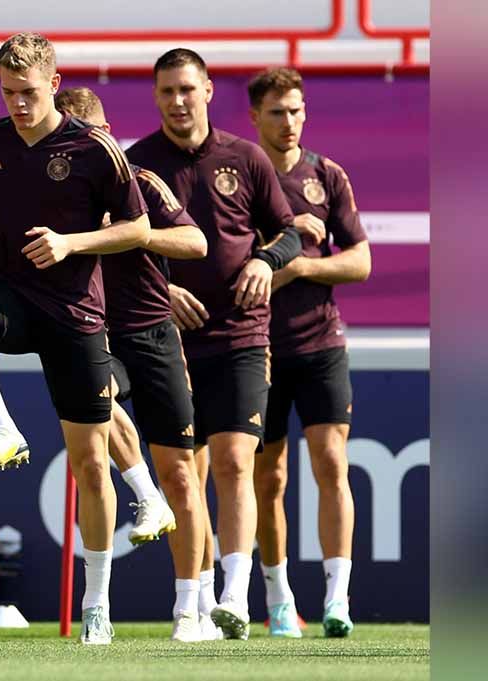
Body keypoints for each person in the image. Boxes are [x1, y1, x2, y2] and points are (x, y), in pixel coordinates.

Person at [0, 33, 151, 645]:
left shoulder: (95, 149)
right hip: (10, 297)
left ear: (55, 84)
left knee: (89, 462)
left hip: (75, 315)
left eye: (28, 93)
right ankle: (1, 427)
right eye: (8, 93)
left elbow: (138, 227)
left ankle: (98, 606)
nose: (19, 105)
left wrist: (71, 243)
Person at [126, 48, 302, 641]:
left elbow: (289, 234)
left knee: (233, 461)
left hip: (243, 334)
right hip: (168, 341)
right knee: (182, 475)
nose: (178, 101)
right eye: (167, 91)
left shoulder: (245, 157)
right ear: (157, 98)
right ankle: (194, 603)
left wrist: (264, 259)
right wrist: (163, 290)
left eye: (188, 89)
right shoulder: (136, 163)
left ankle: (233, 593)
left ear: (207, 92)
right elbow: (122, 247)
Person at [55, 86, 210, 642]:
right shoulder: (54, 193)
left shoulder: (139, 181)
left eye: (93, 133)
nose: (86, 144)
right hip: (95, 332)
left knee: (182, 473)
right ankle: (142, 502)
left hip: (153, 336)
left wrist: (138, 237)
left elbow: (195, 243)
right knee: (102, 403)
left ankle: (189, 609)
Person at [247, 66, 370, 638]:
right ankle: (278, 600)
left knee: (331, 463)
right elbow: (235, 273)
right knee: (268, 479)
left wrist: (300, 265)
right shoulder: (242, 177)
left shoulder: (327, 175)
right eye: (277, 111)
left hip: (321, 342)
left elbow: (361, 260)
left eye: (296, 110)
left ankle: (338, 599)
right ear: (255, 117)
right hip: (257, 347)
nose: (288, 121)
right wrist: (281, 254)